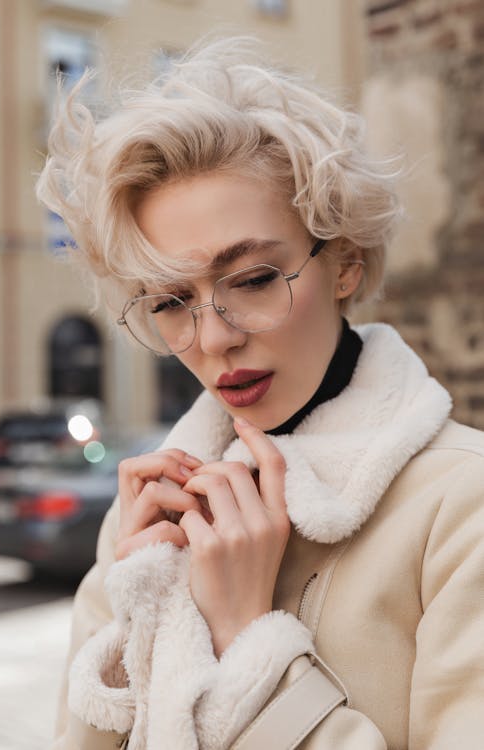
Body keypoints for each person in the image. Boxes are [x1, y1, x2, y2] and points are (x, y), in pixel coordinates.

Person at [37, 37, 484, 750]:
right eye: (169, 301)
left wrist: (249, 642)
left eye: (250, 280)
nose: (212, 340)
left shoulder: (462, 508)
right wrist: (139, 613)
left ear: (345, 261)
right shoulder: (147, 516)